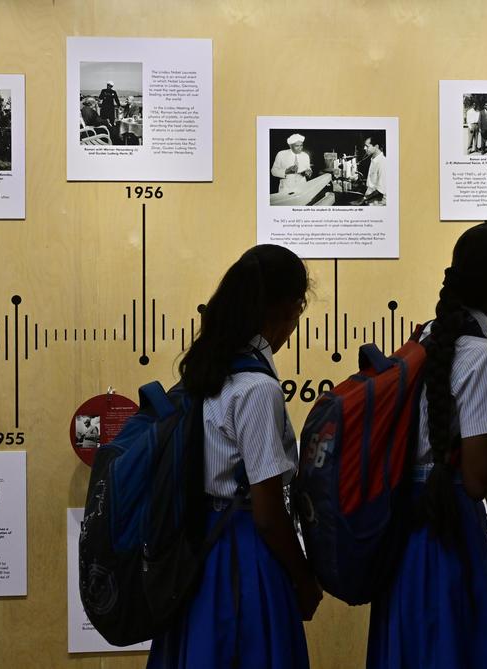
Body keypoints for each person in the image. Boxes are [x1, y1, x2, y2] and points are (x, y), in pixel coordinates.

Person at [368, 221, 487, 669]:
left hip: (406, 517)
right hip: (447, 521)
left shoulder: (426, 337)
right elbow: (477, 479)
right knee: (453, 644)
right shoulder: (481, 355)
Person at [147, 244, 320, 669]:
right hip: (242, 556)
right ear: (290, 307)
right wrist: (303, 577)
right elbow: (266, 512)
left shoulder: (206, 369)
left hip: (197, 550)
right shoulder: (257, 388)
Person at [361, 136, 386, 205]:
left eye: (367, 146)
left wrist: (363, 199)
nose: (364, 148)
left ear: (376, 147)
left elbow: (380, 191)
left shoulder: (383, 163)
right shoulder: (374, 159)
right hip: (369, 198)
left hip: (377, 203)